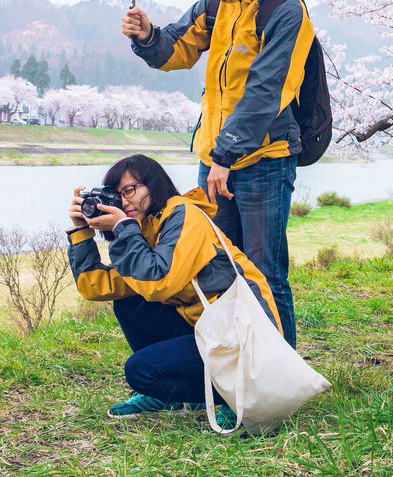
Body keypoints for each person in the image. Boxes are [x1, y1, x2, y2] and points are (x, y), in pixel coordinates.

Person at [122, 0, 315, 349]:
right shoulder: (216, 2)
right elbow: (177, 49)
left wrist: (224, 158)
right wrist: (147, 35)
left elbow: (267, 92)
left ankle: (280, 374)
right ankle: (232, 364)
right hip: (215, 162)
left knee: (265, 272)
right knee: (217, 268)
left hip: (263, 161)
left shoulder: (285, 9)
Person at [67, 154, 282, 426]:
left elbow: (160, 281)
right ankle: (171, 398)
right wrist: (81, 232)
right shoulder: (146, 229)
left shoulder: (184, 215)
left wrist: (123, 228)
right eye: (116, 195)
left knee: (141, 372)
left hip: (242, 334)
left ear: (155, 185)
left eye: (130, 190)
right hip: (210, 329)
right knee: (129, 303)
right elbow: (96, 285)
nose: (123, 201)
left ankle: (236, 394)